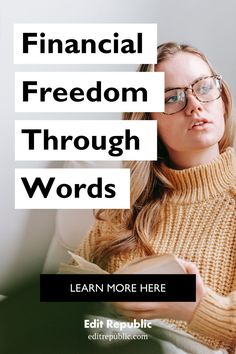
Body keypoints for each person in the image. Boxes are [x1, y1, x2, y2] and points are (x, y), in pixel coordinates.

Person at [72, 43, 236, 353]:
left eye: (204, 87)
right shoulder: (125, 206)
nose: (194, 105)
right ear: (150, 124)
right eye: (172, 98)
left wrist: (193, 308)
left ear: (223, 101)